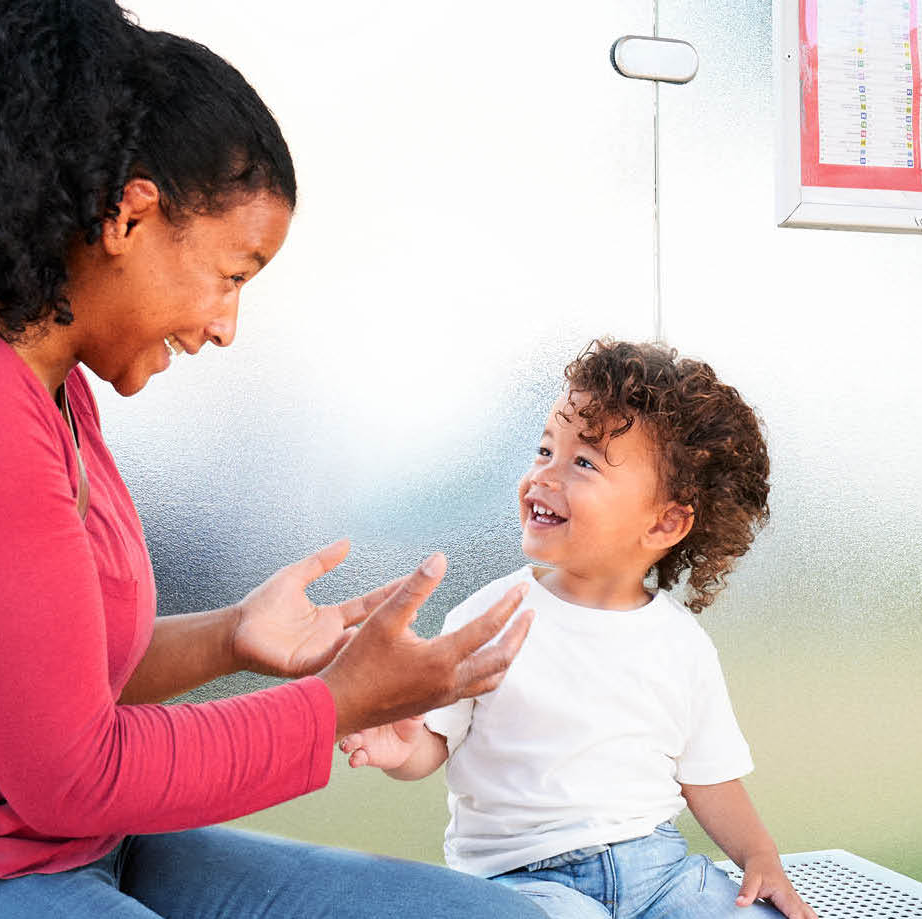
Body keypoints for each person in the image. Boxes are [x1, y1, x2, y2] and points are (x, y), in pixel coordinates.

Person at [0, 1, 547, 917]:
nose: (224, 326)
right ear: (129, 216)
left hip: (73, 855)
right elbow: (70, 774)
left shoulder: (45, 373)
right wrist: (341, 702)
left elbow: (41, 671)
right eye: (232, 274)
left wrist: (234, 635)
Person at [339, 340, 820, 919]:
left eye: (583, 462)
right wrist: (400, 746)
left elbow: (710, 778)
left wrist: (760, 856)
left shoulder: (680, 644)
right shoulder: (492, 616)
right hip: (519, 882)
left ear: (666, 521)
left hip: (660, 873)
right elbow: (433, 743)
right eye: (545, 451)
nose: (544, 474)